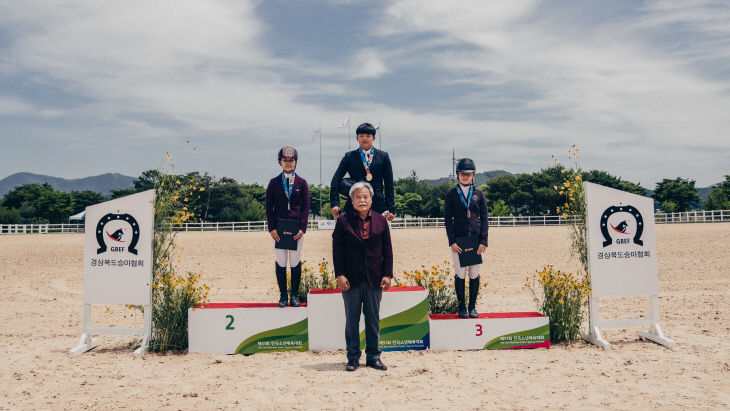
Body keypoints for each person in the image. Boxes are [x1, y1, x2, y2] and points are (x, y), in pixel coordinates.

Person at [332, 181, 393, 371]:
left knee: (373, 319)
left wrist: (387, 274)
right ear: (351, 200)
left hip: (375, 278)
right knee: (352, 320)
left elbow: (387, 250)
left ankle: (373, 357)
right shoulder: (343, 221)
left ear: (371, 199)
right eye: (358, 197)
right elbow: (337, 251)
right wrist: (340, 275)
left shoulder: (381, 221)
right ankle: (352, 357)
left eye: (365, 196)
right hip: (351, 279)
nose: (362, 200)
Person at [265, 145, 310, 307]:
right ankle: (283, 295)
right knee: (281, 261)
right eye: (285, 160)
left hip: (296, 228)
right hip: (279, 228)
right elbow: (268, 207)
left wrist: (302, 228)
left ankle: (295, 296)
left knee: (295, 261)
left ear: (295, 162)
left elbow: (306, 208)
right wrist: (272, 228)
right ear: (280, 162)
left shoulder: (302, 183)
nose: (288, 163)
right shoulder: (273, 183)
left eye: (291, 160)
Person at [444, 158, 488, 318]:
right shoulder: (451, 194)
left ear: (473, 175)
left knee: (474, 274)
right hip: (459, 241)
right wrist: (452, 242)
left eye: (468, 174)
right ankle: (462, 307)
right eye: (462, 174)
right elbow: (448, 220)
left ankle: (473, 307)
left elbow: (484, 218)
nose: (465, 177)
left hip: (475, 241)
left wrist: (483, 241)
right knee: (460, 273)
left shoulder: (479, 194)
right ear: (458, 175)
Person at [330, 123, 396, 221]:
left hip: (377, 205)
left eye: (368, 136)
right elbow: (335, 180)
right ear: (357, 138)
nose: (364, 138)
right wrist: (335, 203)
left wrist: (391, 208)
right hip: (354, 204)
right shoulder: (349, 156)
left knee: (376, 235)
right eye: (361, 136)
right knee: (351, 235)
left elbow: (389, 183)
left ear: (373, 138)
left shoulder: (383, 156)